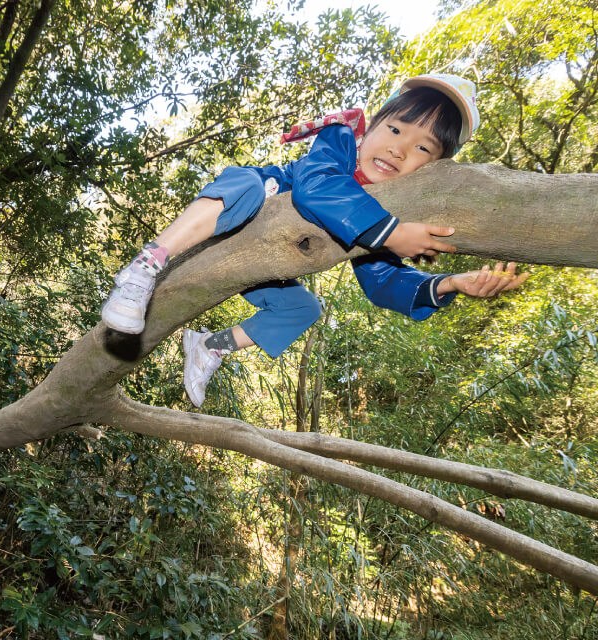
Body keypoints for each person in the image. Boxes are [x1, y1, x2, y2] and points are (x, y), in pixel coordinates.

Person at [100, 74, 528, 407]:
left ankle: (210, 345)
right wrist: (393, 233)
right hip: (250, 206)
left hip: (265, 260)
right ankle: (145, 267)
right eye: (396, 130)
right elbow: (315, 186)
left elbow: (382, 283)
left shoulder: (381, 217)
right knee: (247, 185)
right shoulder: (340, 138)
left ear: (432, 170)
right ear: (373, 124)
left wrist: (450, 284)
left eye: (422, 149)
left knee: (304, 308)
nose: (400, 150)